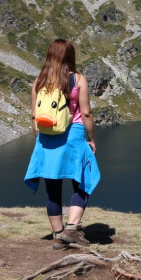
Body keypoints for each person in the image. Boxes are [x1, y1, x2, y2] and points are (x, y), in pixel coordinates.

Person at [24, 39, 99, 246]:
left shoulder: (39, 81)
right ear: (70, 56)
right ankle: (72, 229)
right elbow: (85, 112)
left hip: (46, 138)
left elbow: (34, 117)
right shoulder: (77, 79)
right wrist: (91, 139)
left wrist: (39, 140)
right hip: (72, 136)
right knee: (83, 181)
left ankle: (58, 234)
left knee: (52, 186)